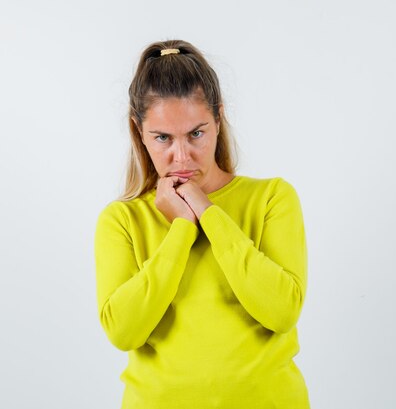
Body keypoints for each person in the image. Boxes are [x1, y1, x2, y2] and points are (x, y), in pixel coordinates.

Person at [94, 39, 310, 409]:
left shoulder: (273, 198)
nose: (181, 156)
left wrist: (209, 213)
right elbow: (124, 331)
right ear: (138, 132)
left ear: (218, 118)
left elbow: (282, 311)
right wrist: (181, 229)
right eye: (162, 138)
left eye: (196, 133)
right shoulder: (123, 219)